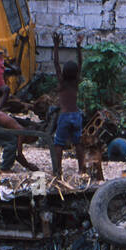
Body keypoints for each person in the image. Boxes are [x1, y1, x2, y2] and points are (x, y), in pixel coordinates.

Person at [50, 31, 85, 178]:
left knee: (59, 144)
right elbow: (80, 63)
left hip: (64, 116)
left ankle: (58, 171)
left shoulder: (62, 83)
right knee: (78, 143)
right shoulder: (76, 82)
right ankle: (82, 169)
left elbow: (56, 63)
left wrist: (56, 46)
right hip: (77, 115)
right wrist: (78, 46)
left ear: (64, 72)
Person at [0, 107, 38, 172]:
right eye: (29, 141)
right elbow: (19, 154)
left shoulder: (16, 128)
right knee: (11, 142)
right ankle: (5, 168)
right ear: (30, 136)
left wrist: (26, 165)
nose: (25, 142)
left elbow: (16, 155)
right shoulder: (21, 131)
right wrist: (28, 166)